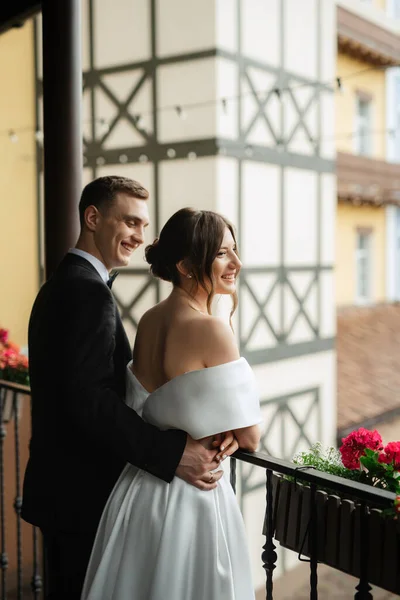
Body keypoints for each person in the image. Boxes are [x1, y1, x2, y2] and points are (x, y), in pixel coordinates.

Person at [21, 177, 238, 600]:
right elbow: (89, 400)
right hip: (82, 495)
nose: (139, 237)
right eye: (130, 223)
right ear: (92, 218)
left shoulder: (64, 284)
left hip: (63, 489)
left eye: (143, 226)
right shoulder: (86, 292)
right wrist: (174, 455)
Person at [81, 207, 262, 600]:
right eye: (221, 254)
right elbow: (250, 437)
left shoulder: (149, 320)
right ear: (185, 265)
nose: (236, 263)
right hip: (191, 498)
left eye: (234, 250)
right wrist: (228, 428)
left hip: (138, 491)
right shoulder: (212, 329)